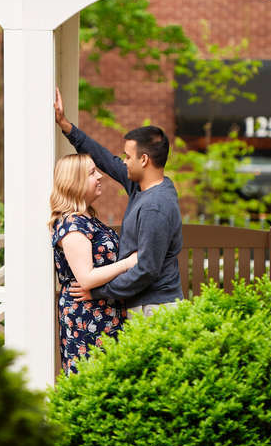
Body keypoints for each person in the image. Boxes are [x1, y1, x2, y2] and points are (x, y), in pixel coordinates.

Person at [54, 87, 183, 315]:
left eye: (127, 156)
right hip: (143, 304)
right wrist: (66, 126)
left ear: (144, 160)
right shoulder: (141, 187)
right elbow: (104, 158)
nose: (123, 162)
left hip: (155, 307)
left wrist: (99, 292)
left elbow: (146, 269)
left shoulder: (155, 205)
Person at [49, 152, 138, 374]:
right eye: (91, 173)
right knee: (91, 379)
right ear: (75, 182)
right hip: (87, 315)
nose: (99, 176)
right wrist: (128, 263)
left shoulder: (88, 218)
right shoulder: (72, 225)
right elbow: (86, 278)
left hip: (105, 308)